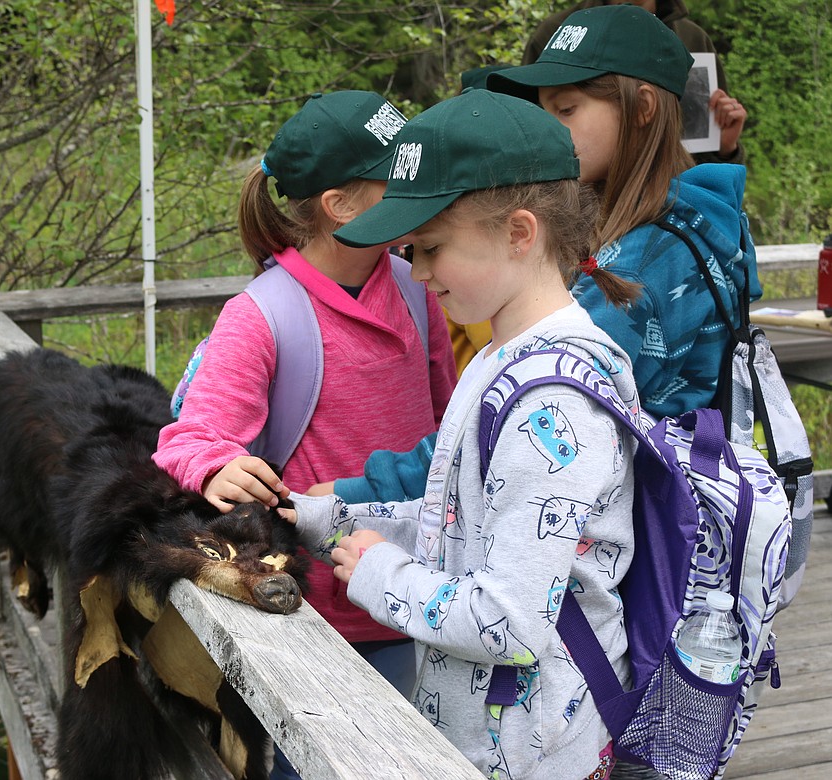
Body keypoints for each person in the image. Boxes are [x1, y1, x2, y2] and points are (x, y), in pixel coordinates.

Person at [283, 88, 641, 779]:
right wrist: (324, 517)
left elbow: (507, 620)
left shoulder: (553, 409)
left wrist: (383, 577)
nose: (414, 272)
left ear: (519, 232)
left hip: (536, 755)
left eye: (432, 248)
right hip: (488, 736)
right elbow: (470, 529)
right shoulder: (504, 357)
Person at [152, 90, 459, 776]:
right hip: (319, 624)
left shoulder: (418, 286)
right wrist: (214, 468)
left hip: (423, 602)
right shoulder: (261, 315)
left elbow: (450, 428)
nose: (418, 189)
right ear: (341, 204)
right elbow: (186, 439)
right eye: (397, 176)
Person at [489, 3, 761, 421]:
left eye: (565, 110)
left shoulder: (640, 265)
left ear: (642, 108)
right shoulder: (677, 224)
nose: (548, 130)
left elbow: (531, 408)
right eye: (544, 112)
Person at [522, 0, 747, 165]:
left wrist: (725, 150)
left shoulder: (693, 39)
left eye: (566, 110)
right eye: (566, 108)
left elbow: (710, 176)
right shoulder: (557, 33)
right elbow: (524, 132)